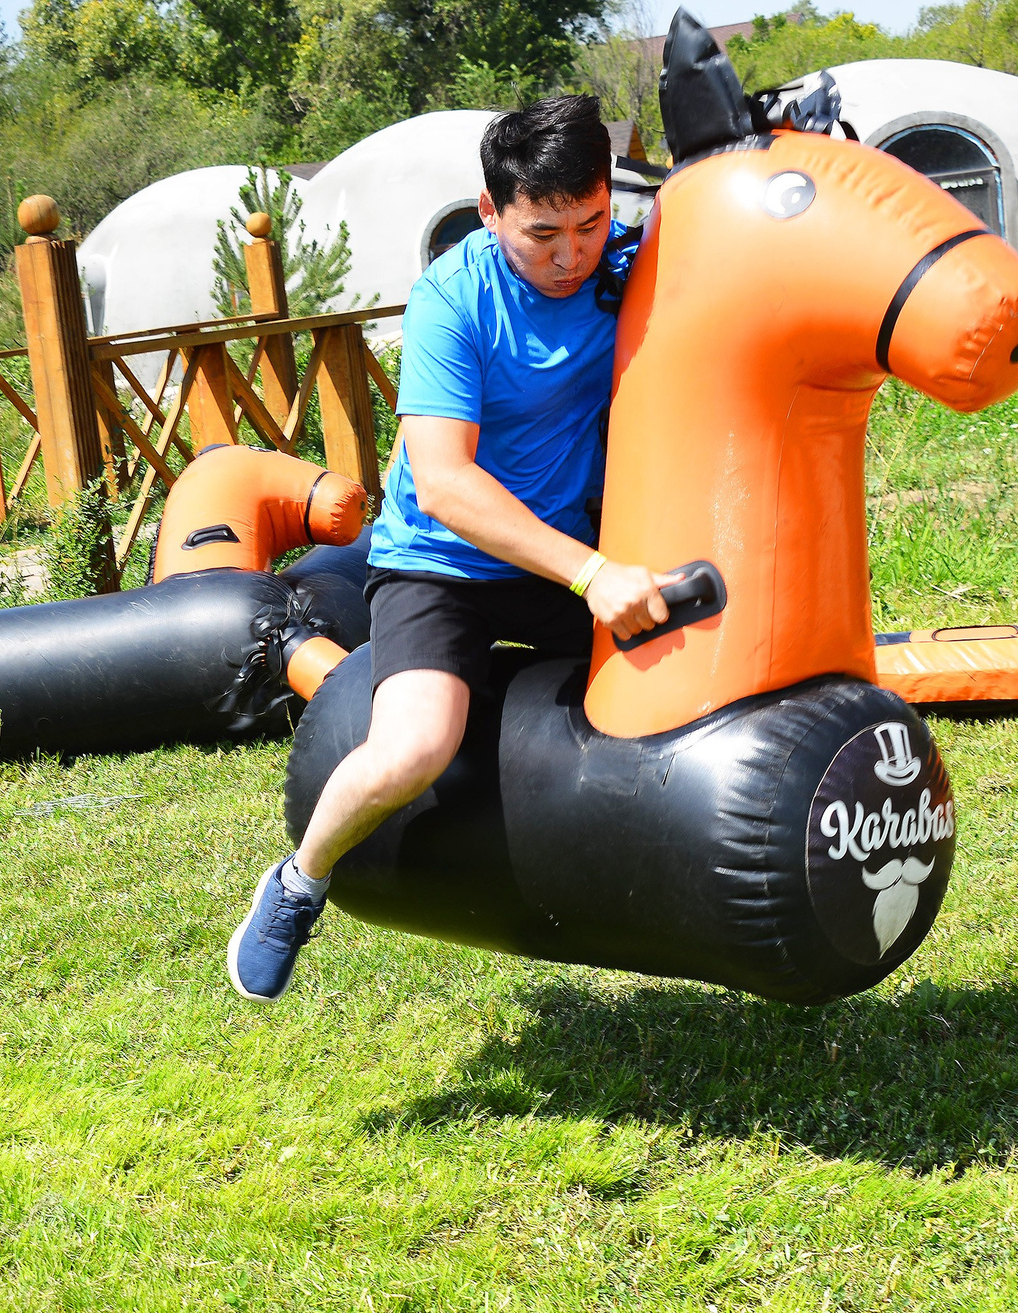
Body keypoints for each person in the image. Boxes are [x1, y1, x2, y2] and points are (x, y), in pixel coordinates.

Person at [224, 98, 680, 1002]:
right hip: (445, 564)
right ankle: (299, 880)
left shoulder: (629, 262)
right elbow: (442, 483)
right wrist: (592, 574)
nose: (570, 255)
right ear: (490, 212)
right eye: (542, 233)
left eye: (591, 225)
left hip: (565, 554)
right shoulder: (452, 298)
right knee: (415, 751)